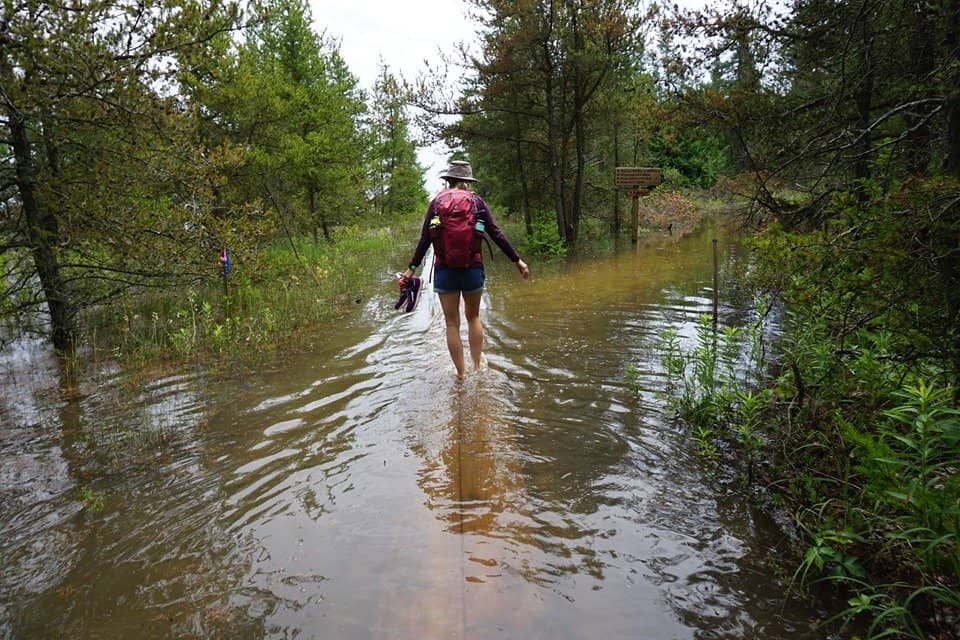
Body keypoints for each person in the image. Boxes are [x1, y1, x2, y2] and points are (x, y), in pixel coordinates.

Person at [401, 160, 530, 379]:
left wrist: (411, 269)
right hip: (472, 269)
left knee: (452, 324)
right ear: (467, 181)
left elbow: (425, 239)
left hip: (445, 270)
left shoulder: (436, 203)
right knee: (473, 318)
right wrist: (517, 260)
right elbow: (496, 233)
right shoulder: (477, 202)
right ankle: (477, 367)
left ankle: (460, 374)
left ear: (449, 180)